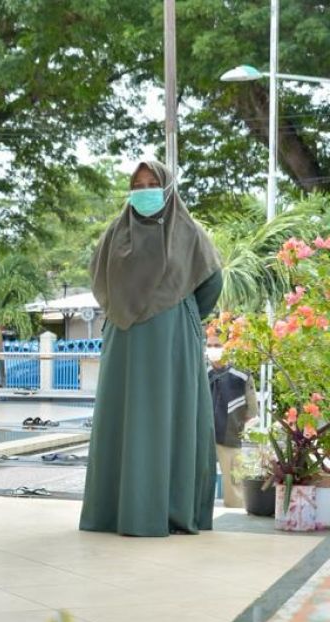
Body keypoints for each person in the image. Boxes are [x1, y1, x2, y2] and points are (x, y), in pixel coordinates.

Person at [81, 160, 223, 536]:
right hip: (124, 344)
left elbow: (211, 283)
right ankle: (115, 511)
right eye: (138, 184)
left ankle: (171, 511)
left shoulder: (188, 233)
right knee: (125, 419)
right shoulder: (115, 234)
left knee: (168, 417)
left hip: (173, 342)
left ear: (169, 189)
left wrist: (175, 311)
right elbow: (99, 281)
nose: (144, 190)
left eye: (152, 183)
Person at [207, 345, 257, 508]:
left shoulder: (241, 374)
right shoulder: (202, 373)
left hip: (230, 433)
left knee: (234, 482)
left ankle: (235, 513)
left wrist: (237, 423)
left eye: (217, 345)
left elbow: (252, 409)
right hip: (202, 434)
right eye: (209, 345)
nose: (213, 349)